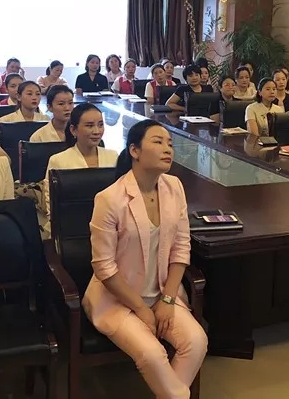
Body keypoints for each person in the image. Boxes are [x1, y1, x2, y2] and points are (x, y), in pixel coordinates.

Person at [82, 120, 207, 399]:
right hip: (117, 300)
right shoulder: (110, 199)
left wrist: (168, 299)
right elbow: (103, 266)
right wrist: (140, 307)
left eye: (170, 144)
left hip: (162, 293)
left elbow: (181, 247)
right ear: (135, 151)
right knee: (152, 353)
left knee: (197, 341)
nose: (168, 149)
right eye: (158, 142)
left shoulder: (174, 187)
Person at [41, 103, 119, 212]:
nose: (97, 131)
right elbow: (50, 202)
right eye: (89, 126)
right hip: (71, 219)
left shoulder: (113, 157)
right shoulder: (58, 161)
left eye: (100, 125)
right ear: (73, 130)